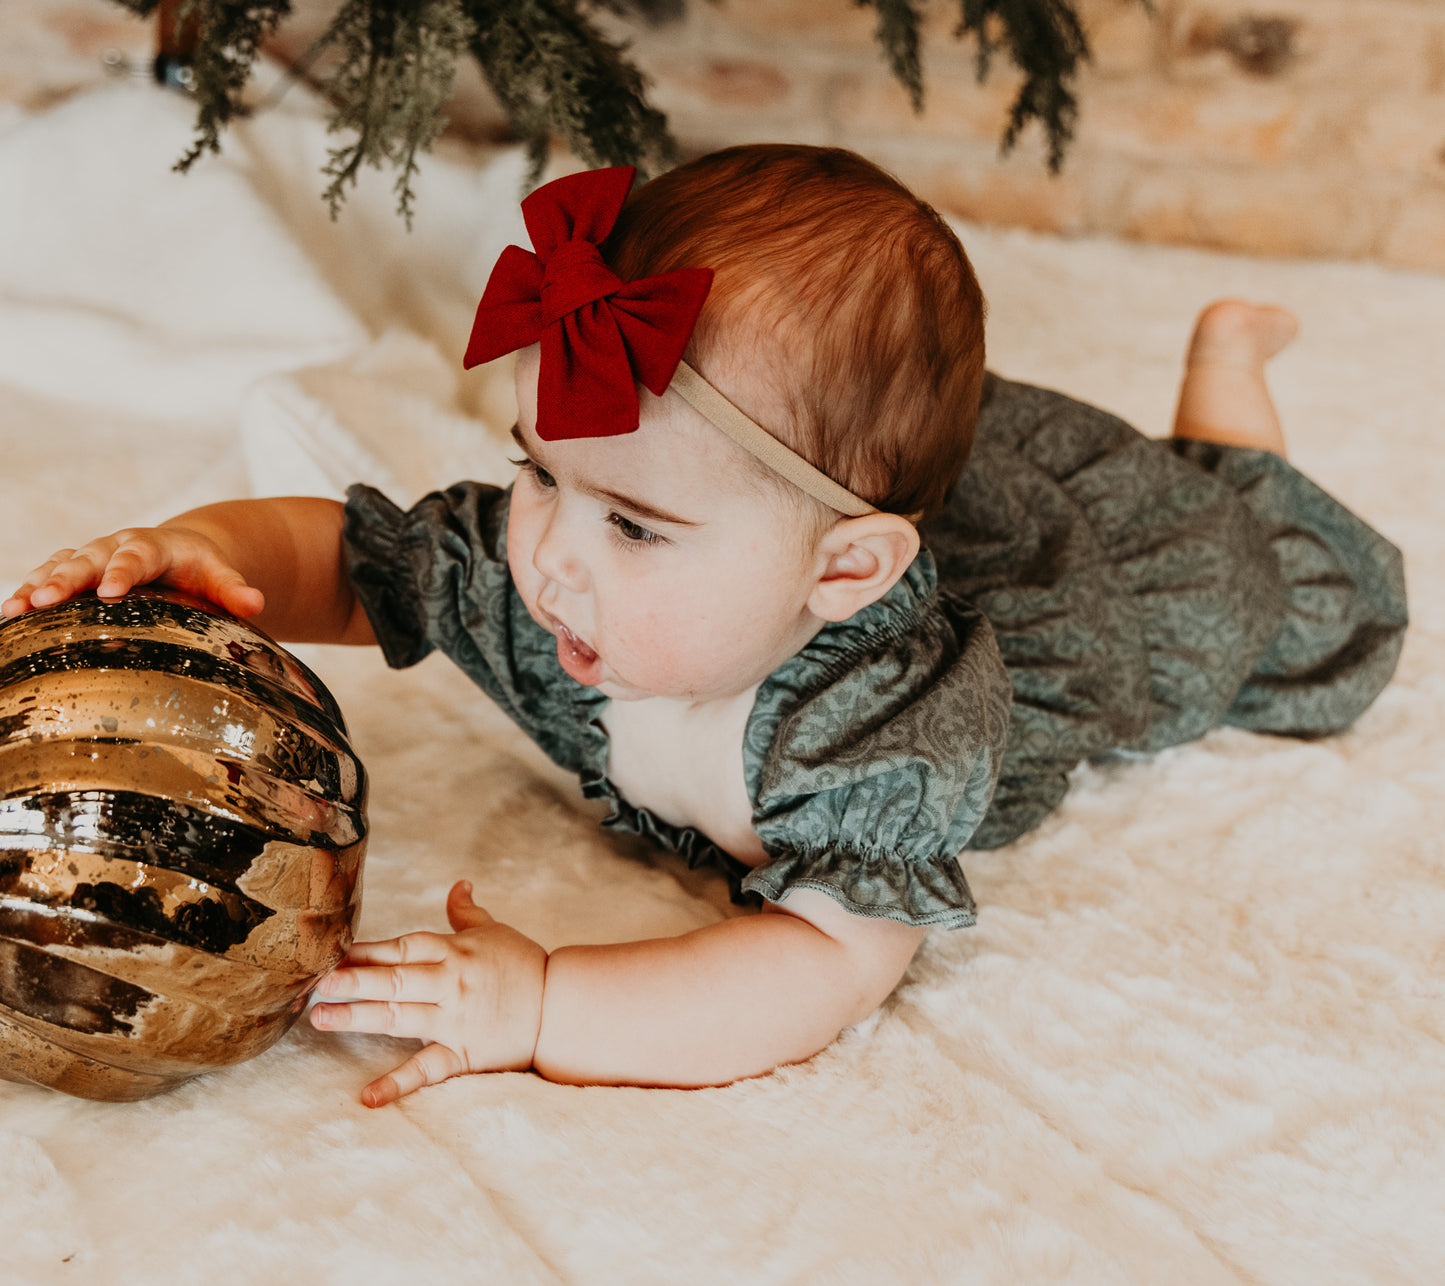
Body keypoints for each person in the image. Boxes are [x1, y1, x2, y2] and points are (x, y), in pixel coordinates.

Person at [2, 146, 1405, 1106]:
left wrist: (549, 1005)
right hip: (845, 512)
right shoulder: (556, 575)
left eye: (631, 521)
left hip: (1078, 574)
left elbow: (818, 963)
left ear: (841, 574)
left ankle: (1225, 397)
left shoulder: (883, 732)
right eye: (537, 470)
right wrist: (200, 553)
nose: (545, 549)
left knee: (1242, 570)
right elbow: (361, 558)